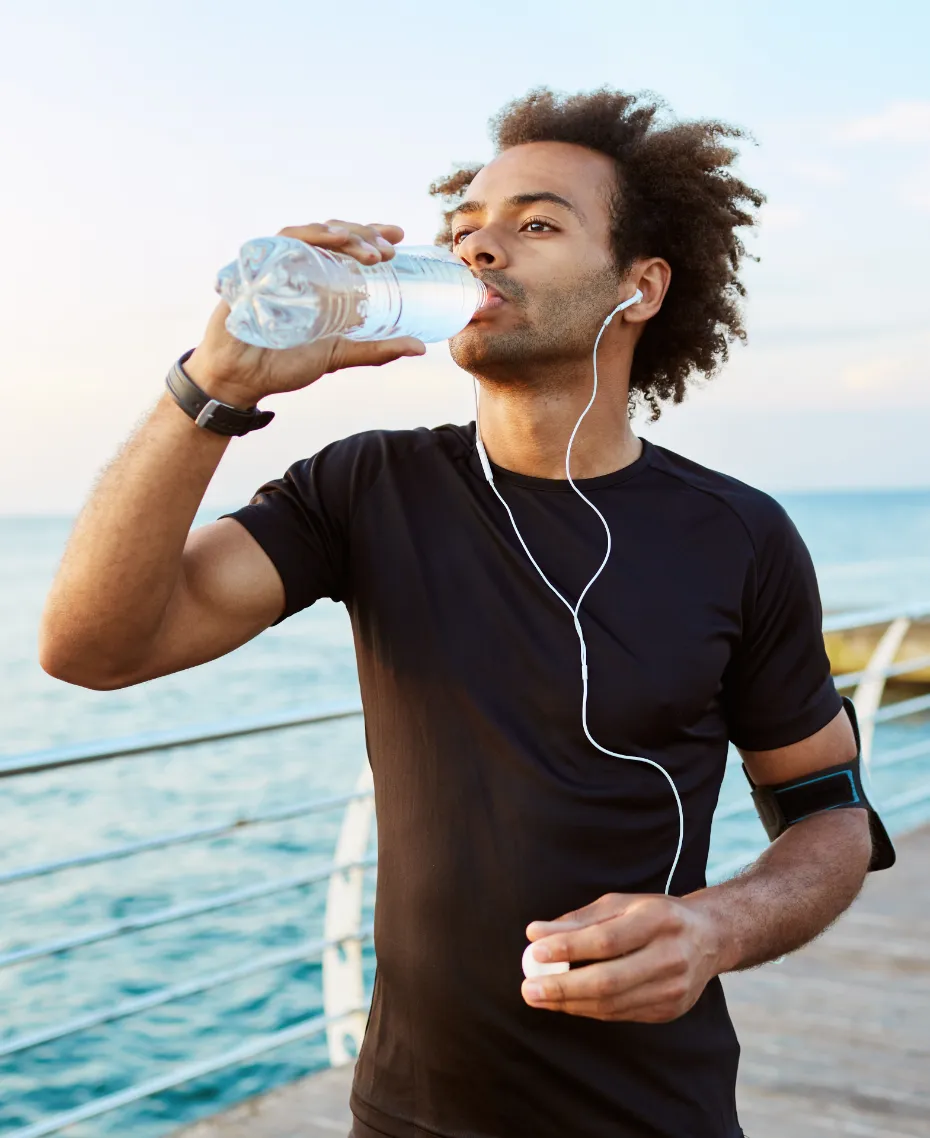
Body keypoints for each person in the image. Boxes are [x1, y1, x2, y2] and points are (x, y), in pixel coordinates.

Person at [41, 88, 878, 1138]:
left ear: (641, 285)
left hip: (653, 1113)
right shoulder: (363, 489)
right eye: (462, 230)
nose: (481, 249)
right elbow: (91, 646)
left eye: (535, 224)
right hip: (408, 1114)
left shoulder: (738, 535)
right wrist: (215, 381)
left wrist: (715, 926)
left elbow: (829, 817)